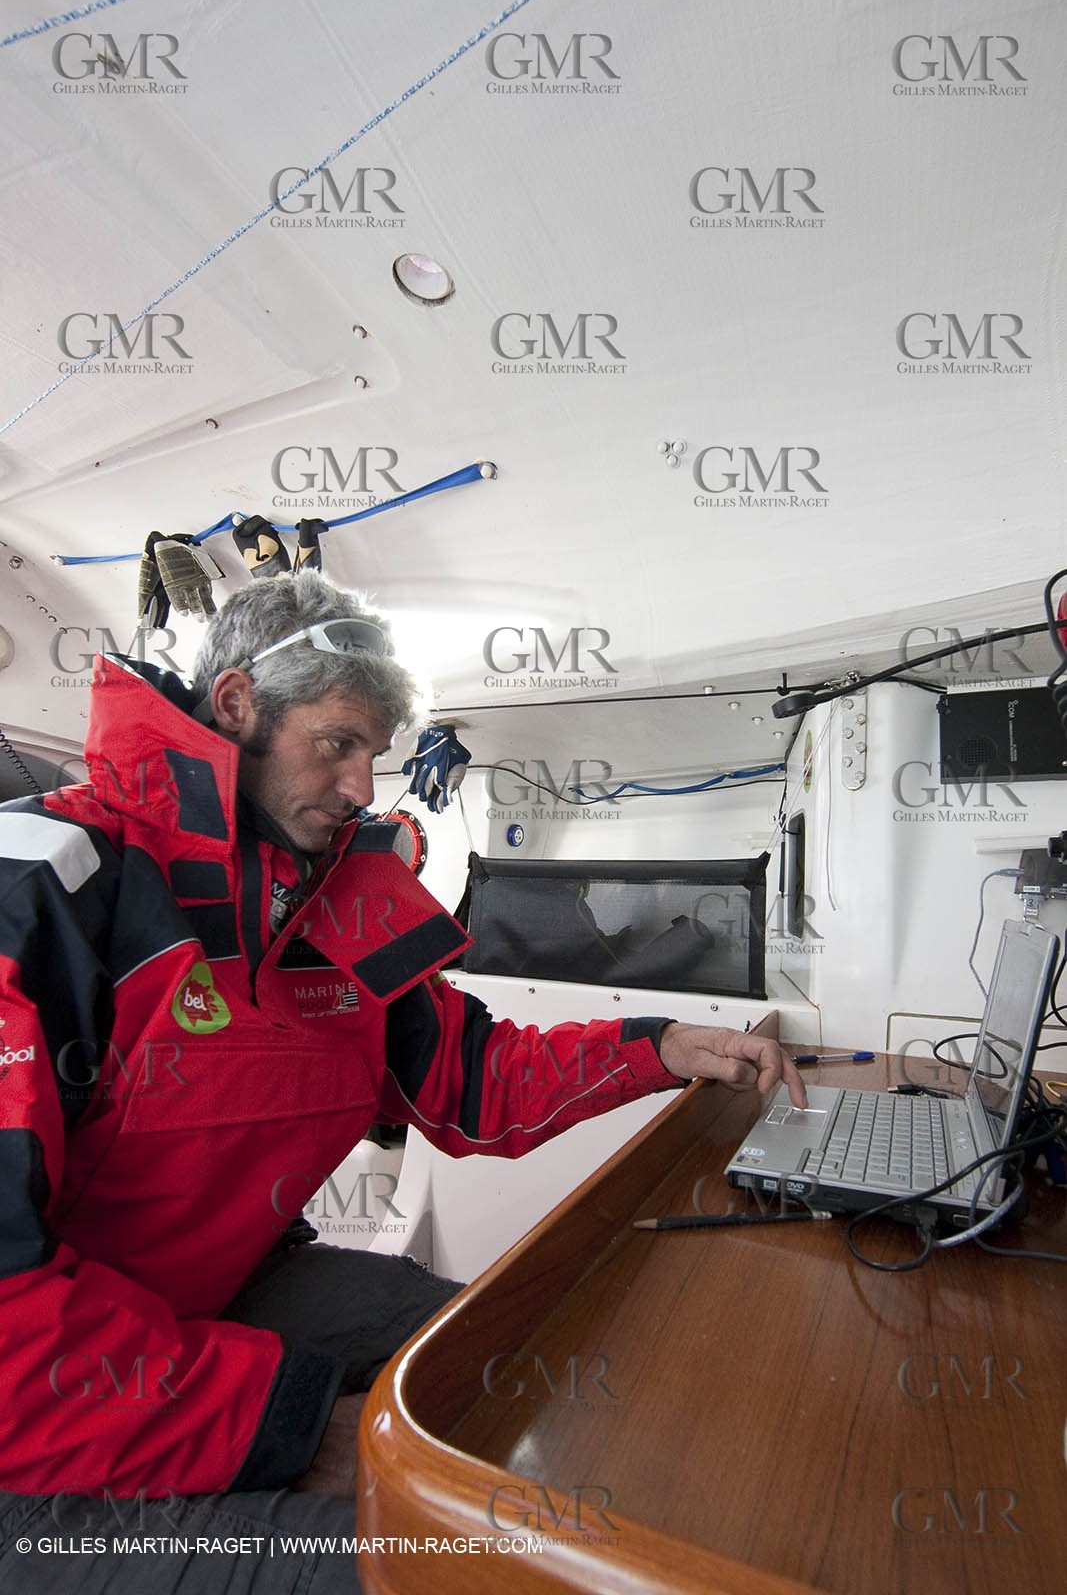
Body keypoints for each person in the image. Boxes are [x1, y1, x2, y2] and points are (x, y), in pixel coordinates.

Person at [0, 571, 805, 1593]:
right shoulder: (44, 884)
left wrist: (658, 1047)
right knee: (444, 1566)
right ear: (237, 704)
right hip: (40, 1412)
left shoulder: (336, 899)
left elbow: (469, 1077)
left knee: (522, 1371)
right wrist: (294, 1431)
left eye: (373, 755)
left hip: (228, 1290)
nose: (358, 787)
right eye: (336, 743)